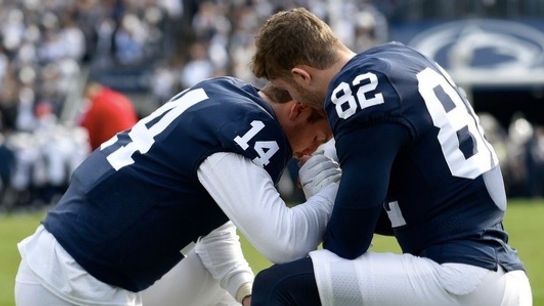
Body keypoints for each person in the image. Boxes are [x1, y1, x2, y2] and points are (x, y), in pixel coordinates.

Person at [249, 8, 532, 306]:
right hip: (498, 272)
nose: (296, 104)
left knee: (278, 286)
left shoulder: (355, 89)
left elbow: (347, 243)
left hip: (461, 277)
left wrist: (328, 193)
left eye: (289, 92)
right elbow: (403, 209)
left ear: (301, 76)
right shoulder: (404, 57)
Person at [15, 76, 341, 306]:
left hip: (61, 266)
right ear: (297, 110)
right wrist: (332, 190)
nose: (312, 150)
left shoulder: (225, 93)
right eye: (318, 137)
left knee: (223, 291)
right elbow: (285, 243)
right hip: (75, 285)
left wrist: (244, 290)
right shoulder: (245, 130)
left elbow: (211, 226)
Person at [80, 82, 138, 150]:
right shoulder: (118, 96)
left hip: (114, 146)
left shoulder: (98, 103)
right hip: (132, 140)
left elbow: (91, 134)